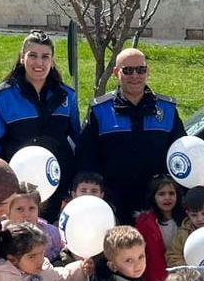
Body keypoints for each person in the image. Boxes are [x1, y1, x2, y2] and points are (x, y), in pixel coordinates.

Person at [0, 31, 81, 219]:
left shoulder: (67, 96)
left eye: (45, 57)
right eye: (32, 55)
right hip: (17, 190)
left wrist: (73, 184)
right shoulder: (0, 98)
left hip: (57, 184)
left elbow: (77, 139)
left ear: (52, 60)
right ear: (21, 57)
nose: (39, 63)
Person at [78, 48, 185, 224]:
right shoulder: (100, 110)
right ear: (115, 73)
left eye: (141, 69)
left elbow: (181, 156)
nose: (135, 75)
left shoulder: (167, 110)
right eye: (127, 70)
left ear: (147, 71)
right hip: (115, 204)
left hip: (158, 207)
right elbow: (86, 159)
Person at [135, 174, 184, 281]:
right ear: (153, 197)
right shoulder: (145, 224)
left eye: (171, 193)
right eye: (161, 194)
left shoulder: (187, 220)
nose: (167, 198)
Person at [165, 187, 204, 269]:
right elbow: (173, 257)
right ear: (188, 214)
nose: (199, 218)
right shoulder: (183, 234)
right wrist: (190, 268)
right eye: (194, 215)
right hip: (195, 277)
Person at [5, 182, 64, 260]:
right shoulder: (0, 234)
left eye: (31, 208)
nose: (26, 214)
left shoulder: (53, 234)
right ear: (7, 212)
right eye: (19, 209)